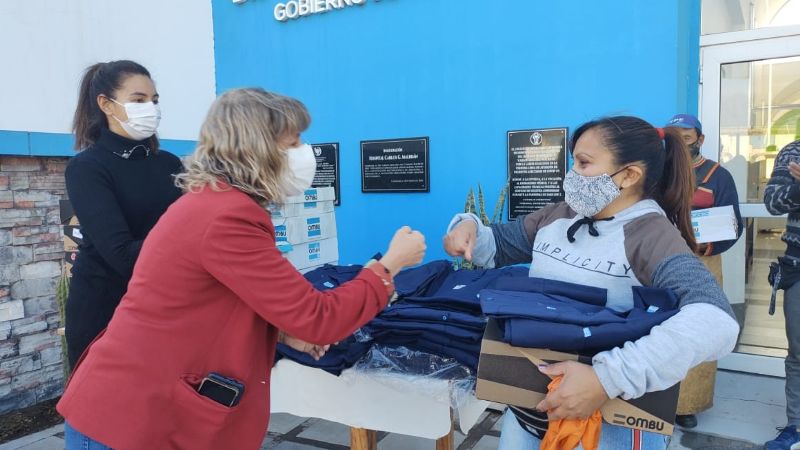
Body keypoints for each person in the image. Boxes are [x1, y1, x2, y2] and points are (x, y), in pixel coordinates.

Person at [57, 88, 427, 449]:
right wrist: (389, 265)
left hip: (139, 414)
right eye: (294, 142)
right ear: (260, 148)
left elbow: (216, 301)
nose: (305, 153)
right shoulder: (226, 217)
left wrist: (283, 334)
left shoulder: (216, 204)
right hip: (130, 422)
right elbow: (318, 317)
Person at [443, 116, 739, 449]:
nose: (572, 175)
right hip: (530, 413)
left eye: (584, 163)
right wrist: (468, 227)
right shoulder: (558, 216)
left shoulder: (650, 235)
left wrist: (606, 378)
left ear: (629, 175)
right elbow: (496, 244)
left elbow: (716, 321)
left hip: (608, 427)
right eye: (573, 162)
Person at [65, 60, 184, 369]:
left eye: (154, 101)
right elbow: (121, 254)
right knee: (106, 411)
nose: (151, 108)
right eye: (139, 100)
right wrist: (187, 245)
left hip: (166, 305)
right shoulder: (87, 168)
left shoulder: (170, 165)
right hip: (106, 311)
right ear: (106, 104)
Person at [664, 113, 743, 429]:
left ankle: (688, 404)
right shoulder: (660, 173)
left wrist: (703, 246)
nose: (683, 143)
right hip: (662, 259)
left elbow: (732, 224)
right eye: (676, 137)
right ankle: (658, 398)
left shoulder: (718, 176)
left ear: (700, 139)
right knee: (661, 327)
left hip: (703, 262)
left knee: (700, 329)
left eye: (688, 137)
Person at [763, 138, 800, 450]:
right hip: (799, 266)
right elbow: (772, 202)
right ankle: (796, 427)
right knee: (799, 354)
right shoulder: (794, 151)